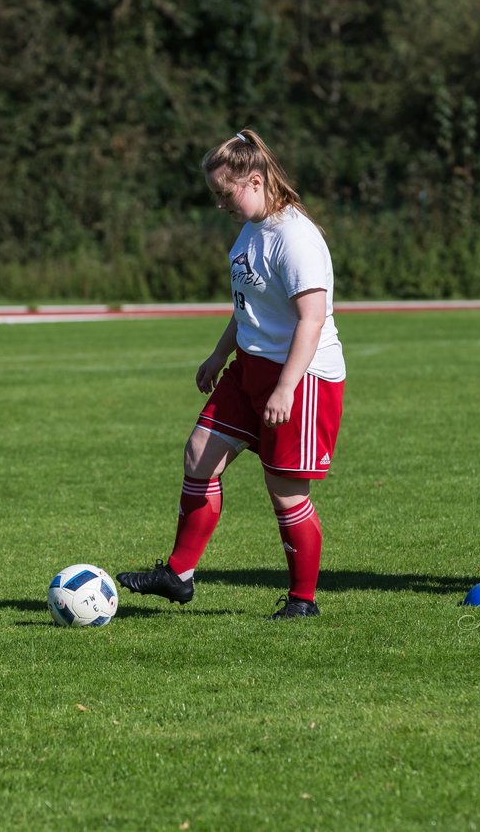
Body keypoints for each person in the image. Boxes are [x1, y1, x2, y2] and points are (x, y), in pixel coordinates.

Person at [116, 128, 346, 620]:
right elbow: (247, 307)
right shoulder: (250, 232)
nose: (220, 204)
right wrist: (219, 355)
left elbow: (312, 318)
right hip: (249, 368)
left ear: (257, 181)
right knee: (200, 454)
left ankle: (303, 601)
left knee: (285, 490)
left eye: (226, 193)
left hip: (301, 376)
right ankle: (178, 575)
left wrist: (286, 387)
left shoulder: (296, 238)